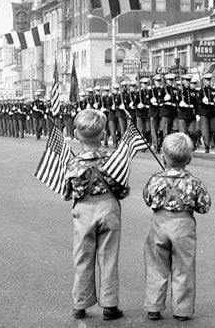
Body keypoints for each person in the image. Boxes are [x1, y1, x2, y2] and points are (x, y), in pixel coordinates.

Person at [62, 109, 128, 321]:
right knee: (109, 258)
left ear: (76, 134)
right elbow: (123, 190)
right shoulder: (113, 159)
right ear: (103, 134)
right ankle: (110, 305)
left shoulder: (73, 163)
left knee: (83, 257)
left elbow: (66, 193)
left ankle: (80, 303)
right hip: (109, 207)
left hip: (84, 210)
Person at [142, 133, 211, 321]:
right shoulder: (194, 182)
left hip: (159, 223)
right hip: (184, 224)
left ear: (163, 157)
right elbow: (204, 206)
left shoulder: (155, 179)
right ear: (189, 159)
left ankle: (154, 306)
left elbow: (147, 198)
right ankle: (182, 309)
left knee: (156, 264)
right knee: (184, 266)